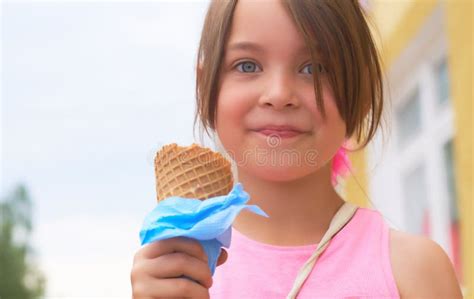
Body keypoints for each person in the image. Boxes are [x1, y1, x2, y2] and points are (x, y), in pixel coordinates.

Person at [131, 0, 463, 298]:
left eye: (315, 68)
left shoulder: (414, 271)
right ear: (206, 88)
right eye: (247, 65)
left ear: (360, 93)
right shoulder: (176, 270)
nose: (279, 93)